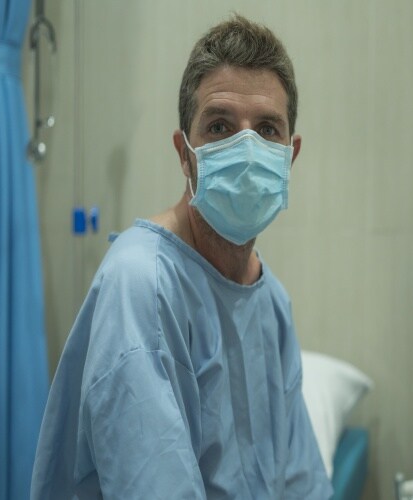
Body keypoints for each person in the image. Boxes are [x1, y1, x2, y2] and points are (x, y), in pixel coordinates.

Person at [30, 14, 333, 500]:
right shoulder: (142, 288)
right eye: (219, 126)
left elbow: (300, 484)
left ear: (289, 157)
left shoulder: (272, 302)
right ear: (184, 151)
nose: (247, 151)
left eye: (267, 130)